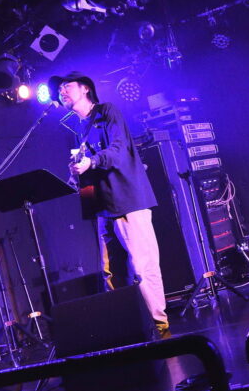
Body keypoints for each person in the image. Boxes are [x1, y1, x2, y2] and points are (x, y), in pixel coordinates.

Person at [49, 72, 169, 335]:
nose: (62, 92)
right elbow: (86, 167)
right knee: (110, 272)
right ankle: (129, 327)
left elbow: (118, 150)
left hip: (127, 201)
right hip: (103, 208)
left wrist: (91, 162)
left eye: (67, 86)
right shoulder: (77, 128)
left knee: (143, 266)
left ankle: (160, 327)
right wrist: (76, 178)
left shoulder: (107, 112)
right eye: (59, 90)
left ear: (85, 88)